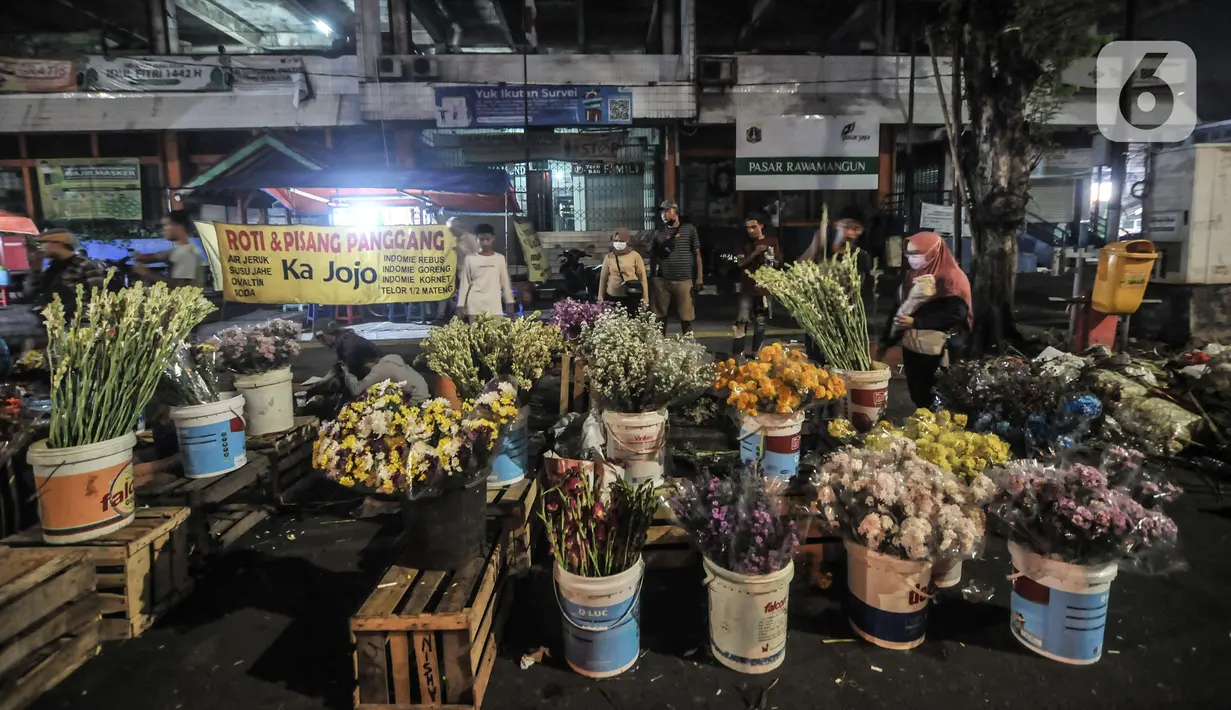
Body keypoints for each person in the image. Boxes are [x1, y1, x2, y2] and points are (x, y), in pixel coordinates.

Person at [879, 231, 972, 409]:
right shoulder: (912, 277)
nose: (912, 259)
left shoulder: (951, 278)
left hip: (939, 349)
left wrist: (917, 322)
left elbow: (956, 314)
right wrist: (887, 341)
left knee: (936, 393)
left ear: (934, 252)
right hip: (913, 345)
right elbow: (899, 310)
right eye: (909, 254)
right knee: (917, 391)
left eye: (917, 253)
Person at [28, 229, 107, 320]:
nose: (41, 248)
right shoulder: (52, 267)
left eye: (44, 243)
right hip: (54, 324)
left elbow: (99, 296)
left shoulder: (84, 265)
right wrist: (36, 269)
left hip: (78, 323)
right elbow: (31, 293)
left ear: (57, 243)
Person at [650, 200, 702, 335]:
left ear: (676, 212)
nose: (664, 214)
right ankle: (659, 347)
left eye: (667, 211)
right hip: (663, 280)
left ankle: (689, 346)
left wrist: (699, 277)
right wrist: (653, 278)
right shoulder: (658, 233)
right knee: (660, 316)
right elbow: (654, 256)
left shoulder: (689, 229)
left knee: (686, 316)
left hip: (684, 280)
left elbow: (697, 254)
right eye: (662, 212)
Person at [733, 213, 779, 356]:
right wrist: (754, 253)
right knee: (742, 320)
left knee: (760, 322)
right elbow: (740, 263)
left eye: (754, 227)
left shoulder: (772, 241)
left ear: (761, 226)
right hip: (747, 287)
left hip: (764, 289)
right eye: (748, 228)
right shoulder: (743, 243)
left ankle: (756, 353)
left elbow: (778, 263)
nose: (751, 231)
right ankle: (737, 353)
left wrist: (770, 257)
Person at [132, 211, 206, 288]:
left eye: (166, 225)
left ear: (179, 227)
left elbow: (178, 286)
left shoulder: (186, 254)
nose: (163, 229)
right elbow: (159, 256)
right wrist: (140, 257)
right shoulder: (179, 250)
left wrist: (146, 272)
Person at [457, 223, 514, 319]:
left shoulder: (499, 258)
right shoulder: (470, 259)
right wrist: (461, 304)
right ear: (476, 239)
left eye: (488, 239)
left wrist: (510, 301)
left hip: (494, 307)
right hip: (475, 306)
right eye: (481, 239)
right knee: (476, 334)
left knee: (495, 334)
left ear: (493, 238)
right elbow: (464, 283)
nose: (485, 243)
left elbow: (505, 282)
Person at [596, 227, 648, 313]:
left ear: (626, 241)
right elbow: (603, 278)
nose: (618, 243)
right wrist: (600, 298)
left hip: (631, 295)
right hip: (613, 296)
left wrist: (645, 298)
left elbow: (642, 277)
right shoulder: (609, 257)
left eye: (621, 241)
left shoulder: (635, 256)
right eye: (616, 241)